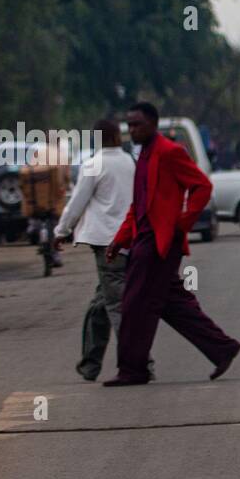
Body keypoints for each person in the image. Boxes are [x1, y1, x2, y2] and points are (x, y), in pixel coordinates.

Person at [103, 102, 240, 387]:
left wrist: (184, 221)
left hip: (158, 243)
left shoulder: (169, 152)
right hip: (144, 239)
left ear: (153, 124)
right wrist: (121, 238)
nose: (132, 130)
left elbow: (202, 185)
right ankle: (222, 348)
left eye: (137, 124)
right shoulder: (142, 156)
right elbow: (139, 205)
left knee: (135, 305)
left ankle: (133, 370)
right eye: (129, 125)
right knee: (171, 304)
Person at [55, 119, 138, 382]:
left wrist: (61, 231)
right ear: (117, 136)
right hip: (130, 240)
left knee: (115, 305)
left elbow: (77, 202)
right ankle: (90, 364)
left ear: (96, 138)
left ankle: (137, 361)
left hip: (106, 244)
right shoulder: (129, 162)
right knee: (99, 304)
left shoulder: (94, 163)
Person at [20, 137, 70, 270]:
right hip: (54, 198)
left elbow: (28, 172)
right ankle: (56, 255)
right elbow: (66, 178)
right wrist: (67, 185)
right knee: (56, 224)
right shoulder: (63, 156)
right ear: (58, 142)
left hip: (37, 198)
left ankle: (33, 226)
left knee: (36, 214)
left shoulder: (38, 152)